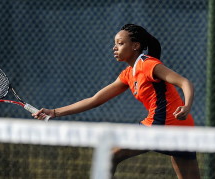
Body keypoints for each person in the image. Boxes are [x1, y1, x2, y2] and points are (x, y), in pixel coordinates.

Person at [32, 24, 200, 179]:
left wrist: (186, 106)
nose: (114, 47)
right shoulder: (128, 74)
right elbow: (95, 100)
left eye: (120, 43)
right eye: (115, 43)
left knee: (110, 156)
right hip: (174, 127)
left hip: (163, 126)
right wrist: (54, 112)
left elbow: (185, 83)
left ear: (135, 46)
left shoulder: (147, 64)